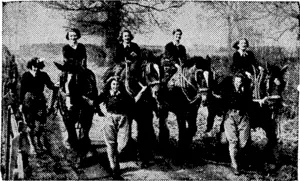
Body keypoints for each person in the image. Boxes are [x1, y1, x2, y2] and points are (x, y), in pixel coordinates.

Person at [95, 76, 136, 179]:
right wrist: (98, 110)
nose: (115, 86)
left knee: (122, 145)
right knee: (110, 144)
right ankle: (114, 168)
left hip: (123, 119)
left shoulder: (124, 95)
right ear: (110, 85)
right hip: (109, 119)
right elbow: (96, 101)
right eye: (113, 84)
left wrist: (142, 91)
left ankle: (115, 159)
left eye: (117, 84)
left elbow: (133, 102)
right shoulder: (106, 94)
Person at [19, 57, 57, 155]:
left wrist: (56, 85)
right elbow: (22, 91)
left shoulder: (43, 75)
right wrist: (20, 103)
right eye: (33, 67)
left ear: (40, 67)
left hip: (40, 101)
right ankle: (32, 145)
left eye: (37, 67)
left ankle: (40, 142)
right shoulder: (26, 76)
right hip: (28, 102)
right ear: (30, 66)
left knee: (41, 124)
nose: (35, 69)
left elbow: (50, 85)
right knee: (30, 125)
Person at [222, 73, 252, 175]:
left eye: (240, 82)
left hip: (243, 117)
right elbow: (222, 101)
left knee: (243, 143)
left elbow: (250, 102)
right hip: (230, 116)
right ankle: (234, 164)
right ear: (234, 81)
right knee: (233, 141)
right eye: (236, 81)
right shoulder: (228, 91)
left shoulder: (246, 91)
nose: (238, 83)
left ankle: (240, 160)